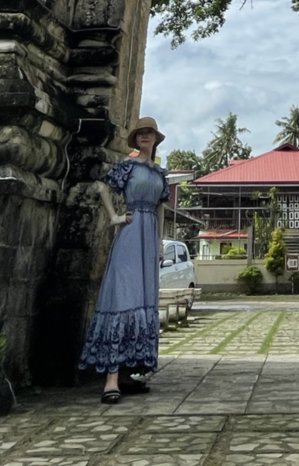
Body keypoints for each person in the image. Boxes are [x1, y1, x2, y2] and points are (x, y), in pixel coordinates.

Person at [78, 116, 170, 402]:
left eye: (149, 132)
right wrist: (115, 217)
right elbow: (103, 187)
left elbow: (160, 207)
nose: (145, 136)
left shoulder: (159, 172)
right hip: (130, 234)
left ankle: (129, 373)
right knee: (122, 298)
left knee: (143, 300)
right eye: (141, 133)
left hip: (148, 238)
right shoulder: (128, 166)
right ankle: (111, 378)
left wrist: (159, 242)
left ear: (155, 138)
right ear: (135, 139)